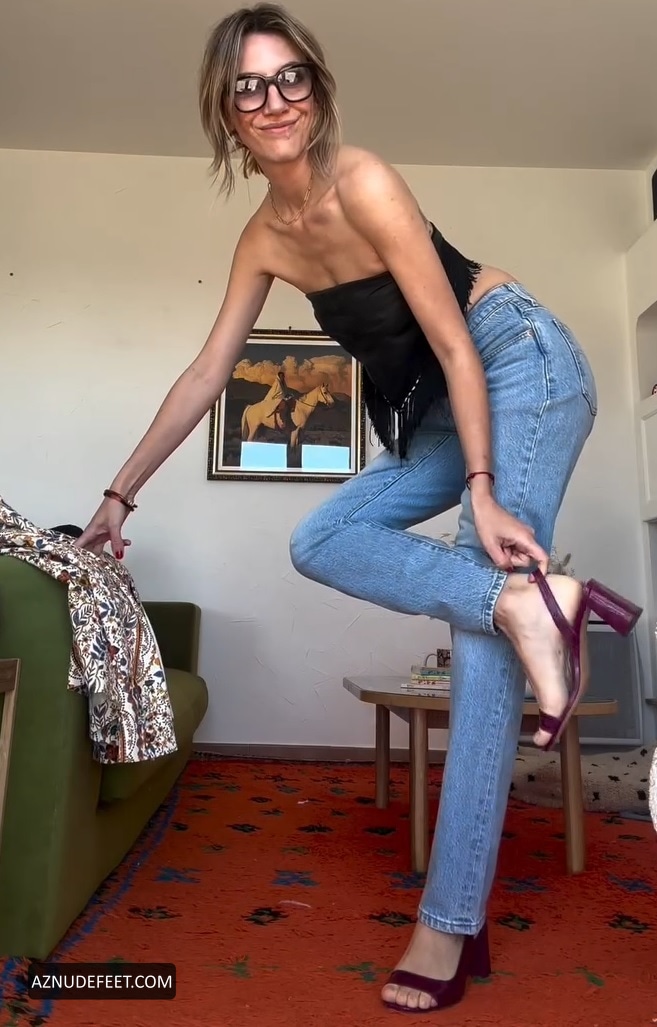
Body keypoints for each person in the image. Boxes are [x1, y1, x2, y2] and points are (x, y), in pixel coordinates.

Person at [76, 3, 642, 1013]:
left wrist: (480, 490)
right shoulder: (264, 237)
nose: (274, 100)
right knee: (325, 535)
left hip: (518, 360)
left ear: (318, 88)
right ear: (226, 113)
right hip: (436, 409)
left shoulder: (365, 180)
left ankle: (449, 922)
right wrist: (121, 492)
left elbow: (455, 341)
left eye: (290, 76)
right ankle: (528, 601)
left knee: (483, 644)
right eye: (248, 87)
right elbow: (207, 373)